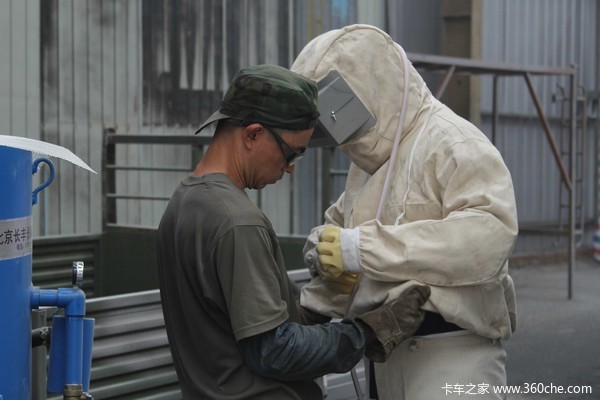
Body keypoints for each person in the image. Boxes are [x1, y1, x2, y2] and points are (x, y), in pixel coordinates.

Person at [156, 64, 431, 399]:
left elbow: (244, 322)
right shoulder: (237, 222)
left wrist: (319, 300)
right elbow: (274, 351)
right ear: (252, 134)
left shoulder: (184, 202)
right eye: (290, 153)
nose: (289, 168)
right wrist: (368, 332)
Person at [291, 24, 519, 399]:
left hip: (453, 354)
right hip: (383, 354)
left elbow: (488, 236)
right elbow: (342, 228)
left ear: (368, 84)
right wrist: (323, 264)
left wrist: (357, 249)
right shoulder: (367, 162)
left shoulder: (453, 142)